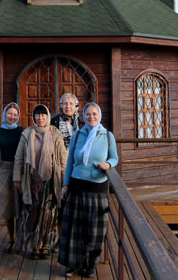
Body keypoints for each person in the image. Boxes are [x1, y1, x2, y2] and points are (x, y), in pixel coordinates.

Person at [58, 102, 118, 278]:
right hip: (76, 188)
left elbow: (114, 157)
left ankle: (90, 265)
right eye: (88, 114)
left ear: (100, 116)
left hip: (97, 189)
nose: (91, 117)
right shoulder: (78, 135)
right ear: (83, 116)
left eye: (94, 114)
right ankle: (73, 264)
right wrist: (65, 185)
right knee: (74, 230)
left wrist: (108, 164)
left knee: (95, 231)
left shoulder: (107, 136)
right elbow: (70, 162)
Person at [13, 104, 66, 259]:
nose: (40, 118)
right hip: (31, 181)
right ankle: (34, 245)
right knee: (33, 212)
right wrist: (17, 178)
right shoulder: (27, 133)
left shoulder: (55, 133)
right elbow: (19, 158)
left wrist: (64, 181)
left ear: (48, 116)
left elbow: (63, 159)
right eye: (37, 115)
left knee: (49, 214)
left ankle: (45, 245)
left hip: (51, 181)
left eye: (43, 115)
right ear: (34, 117)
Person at [0, 102, 24, 253]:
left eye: (15, 114)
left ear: (18, 116)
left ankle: (19, 239)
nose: (12, 117)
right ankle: (11, 239)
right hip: (5, 170)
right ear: (4, 114)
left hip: (20, 170)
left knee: (19, 205)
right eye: (9, 113)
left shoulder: (22, 131)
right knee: (7, 206)